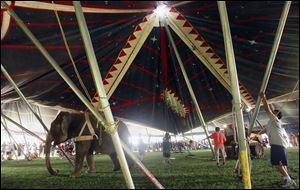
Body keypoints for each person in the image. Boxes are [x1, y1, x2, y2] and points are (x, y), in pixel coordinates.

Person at [260, 92, 296, 187]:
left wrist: (264, 98)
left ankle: (288, 179)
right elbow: (265, 130)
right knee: (282, 163)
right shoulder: (272, 122)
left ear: (277, 115)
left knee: (277, 163)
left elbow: (267, 109)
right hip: (280, 144)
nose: (272, 113)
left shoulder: (275, 119)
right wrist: (256, 134)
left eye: (274, 112)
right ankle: (286, 178)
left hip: (277, 144)